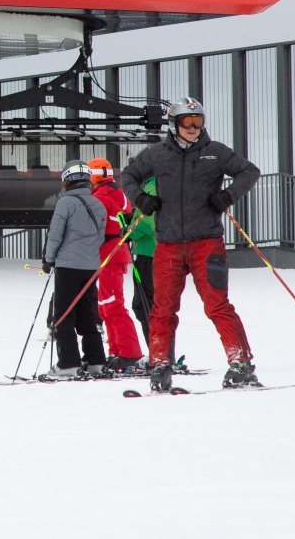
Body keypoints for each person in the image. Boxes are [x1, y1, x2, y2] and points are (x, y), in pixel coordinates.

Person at [120, 98, 262, 393]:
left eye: (198, 122)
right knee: (162, 309)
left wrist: (228, 195)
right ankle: (159, 366)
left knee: (216, 305)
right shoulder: (157, 154)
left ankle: (241, 366)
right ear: (174, 125)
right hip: (168, 245)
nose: (194, 128)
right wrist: (141, 200)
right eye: (188, 122)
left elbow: (250, 171)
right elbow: (129, 175)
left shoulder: (216, 152)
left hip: (206, 242)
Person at [40, 162, 109, 378]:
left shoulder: (65, 203)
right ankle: (95, 361)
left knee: (64, 314)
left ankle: (68, 364)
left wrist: (48, 259)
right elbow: (100, 238)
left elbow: (55, 236)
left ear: (66, 181)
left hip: (67, 267)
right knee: (88, 313)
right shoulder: (98, 204)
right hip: (90, 267)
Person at [89, 158, 144, 370]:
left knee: (112, 306)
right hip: (112, 255)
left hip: (108, 256)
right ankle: (117, 351)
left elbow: (98, 229)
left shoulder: (101, 198)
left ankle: (129, 353)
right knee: (106, 308)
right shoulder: (116, 194)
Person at [126, 176, 158, 355]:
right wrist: (131, 218)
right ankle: (158, 352)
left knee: (145, 305)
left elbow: (148, 223)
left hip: (148, 253)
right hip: (149, 252)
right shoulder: (156, 185)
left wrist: (130, 233)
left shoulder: (153, 186)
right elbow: (143, 216)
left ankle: (158, 352)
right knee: (144, 304)